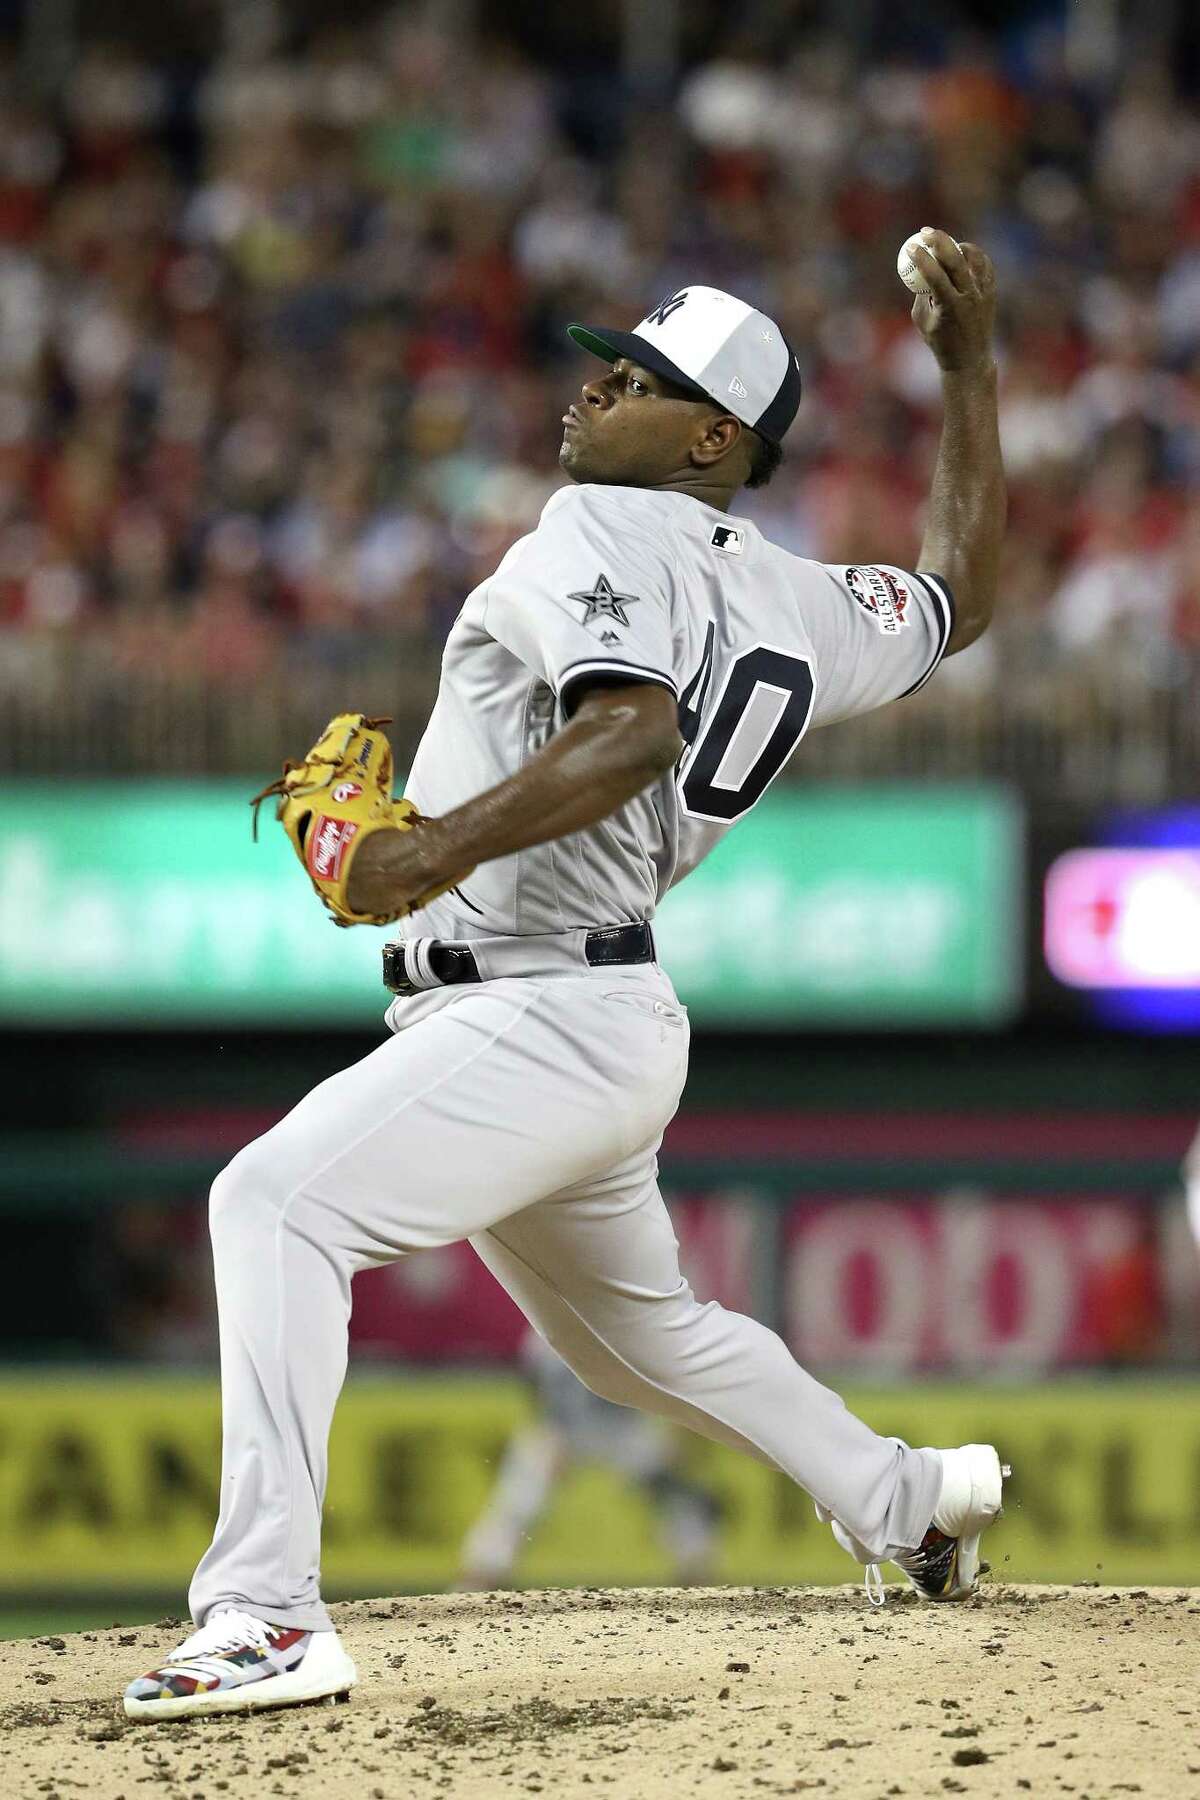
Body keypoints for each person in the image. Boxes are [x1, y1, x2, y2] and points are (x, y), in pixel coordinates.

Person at [124, 229, 1009, 1721]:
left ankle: (265, 1613)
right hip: (596, 1013)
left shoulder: (596, 528)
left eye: (641, 377)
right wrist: (972, 369)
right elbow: (960, 594)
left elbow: (630, 730)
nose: (596, 387)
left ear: (713, 438)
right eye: (608, 362)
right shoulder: (796, 599)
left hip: (534, 999)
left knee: (273, 1202)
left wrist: (425, 851)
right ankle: (911, 1498)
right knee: (643, 1340)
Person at [457, 1330, 718, 1591]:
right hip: (563, 1427)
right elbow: (537, 1382)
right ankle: (479, 1579)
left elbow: (665, 1372)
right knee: (520, 1498)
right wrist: (551, 1428)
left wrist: (675, 1426)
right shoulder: (547, 1320)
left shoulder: (626, 1317)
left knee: (673, 1492)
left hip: (623, 1427)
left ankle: (696, 1576)